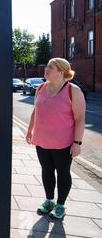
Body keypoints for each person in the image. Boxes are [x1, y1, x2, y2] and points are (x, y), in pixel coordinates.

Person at [26, 58, 86, 219]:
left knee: (63, 172)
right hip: (42, 140)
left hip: (64, 143)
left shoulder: (73, 91)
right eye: (46, 67)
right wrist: (30, 130)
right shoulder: (40, 88)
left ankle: (60, 205)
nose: (46, 70)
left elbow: (80, 119)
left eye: (50, 68)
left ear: (61, 71)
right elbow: (35, 111)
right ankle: (49, 201)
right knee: (46, 171)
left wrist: (77, 143)